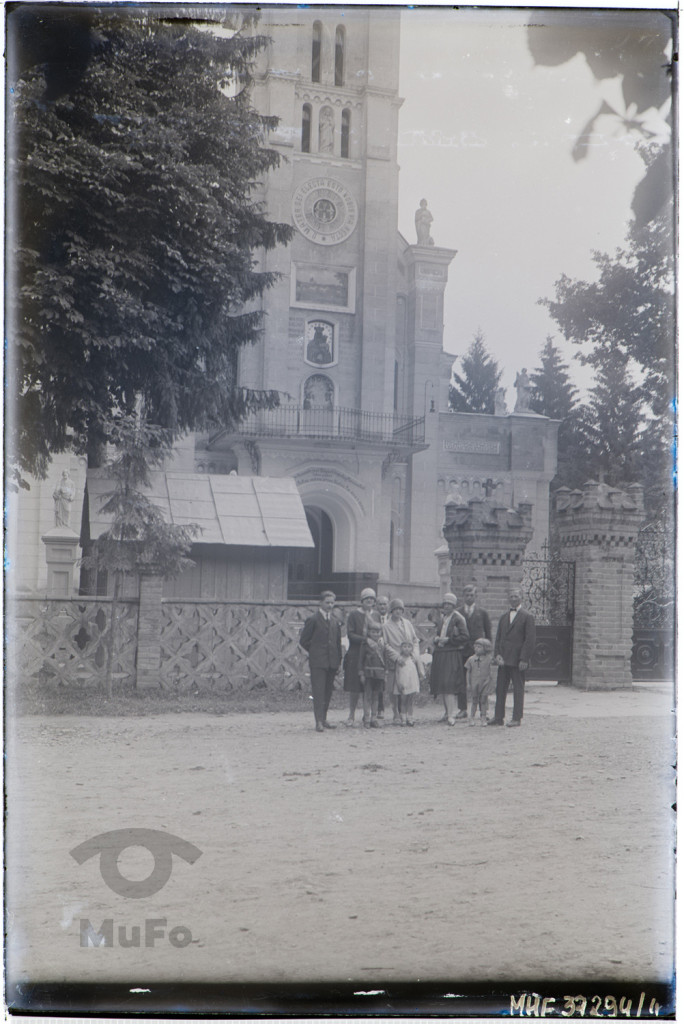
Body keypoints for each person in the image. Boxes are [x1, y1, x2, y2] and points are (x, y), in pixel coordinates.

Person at [489, 589, 536, 727]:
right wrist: (497, 654)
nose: (514, 598)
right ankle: (498, 717)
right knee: (500, 688)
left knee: (518, 689)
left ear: (521, 597)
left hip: (517, 660)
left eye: (516, 596)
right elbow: (498, 638)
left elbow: (530, 640)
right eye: (511, 596)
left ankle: (517, 718)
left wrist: (524, 659)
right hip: (503, 660)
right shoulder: (504, 617)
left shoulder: (527, 617)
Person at [299, 591, 342, 732]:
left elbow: (337, 643)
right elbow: (304, 641)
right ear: (321, 603)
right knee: (318, 692)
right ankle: (318, 721)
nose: (330, 605)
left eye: (332, 602)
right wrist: (315, 651)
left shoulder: (335, 621)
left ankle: (324, 718)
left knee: (328, 691)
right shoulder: (313, 619)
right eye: (327, 602)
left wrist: (338, 661)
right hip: (318, 662)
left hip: (332, 662)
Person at [429, 593, 470, 725]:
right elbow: (438, 633)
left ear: (454, 606)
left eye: (449, 604)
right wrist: (436, 639)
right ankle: (446, 712)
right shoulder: (443, 618)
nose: (446, 606)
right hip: (441, 653)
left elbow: (465, 636)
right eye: (445, 604)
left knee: (449, 684)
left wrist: (450, 640)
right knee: (442, 683)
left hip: (451, 653)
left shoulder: (458, 618)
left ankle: (452, 714)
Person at [382, 598, 421, 725]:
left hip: (408, 660)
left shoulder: (407, 623)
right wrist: (397, 657)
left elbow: (415, 640)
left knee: (409, 687)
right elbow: (386, 644)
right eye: (395, 609)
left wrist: (414, 654)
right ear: (391, 611)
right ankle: (396, 713)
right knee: (394, 687)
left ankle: (408, 714)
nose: (398, 612)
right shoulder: (386, 626)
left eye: (400, 609)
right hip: (396, 660)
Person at [343, 588, 377, 727]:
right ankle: (351, 714)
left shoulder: (375, 615)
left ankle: (367, 715)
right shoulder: (354, 615)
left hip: (370, 655)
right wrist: (365, 639)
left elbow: (379, 631)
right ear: (362, 601)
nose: (369, 601)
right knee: (355, 686)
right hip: (356, 653)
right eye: (367, 599)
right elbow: (350, 634)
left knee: (369, 686)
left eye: (372, 599)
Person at [358, 622, 386, 729]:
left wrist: (386, 672)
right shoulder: (365, 644)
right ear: (369, 632)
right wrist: (361, 673)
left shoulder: (382, 644)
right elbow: (361, 659)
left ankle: (374, 718)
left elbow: (385, 659)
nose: (375, 634)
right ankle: (366, 718)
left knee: (376, 696)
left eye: (377, 632)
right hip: (368, 673)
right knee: (367, 696)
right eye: (373, 632)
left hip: (379, 673)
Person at [465, 637, 497, 726]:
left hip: (485, 683)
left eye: (479, 647)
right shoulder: (471, 659)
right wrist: (468, 683)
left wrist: (491, 682)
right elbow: (468, 672)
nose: (476, 649)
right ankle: (471, 717)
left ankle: (483, 717)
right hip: (474, 682)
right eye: (475, 647)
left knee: (483, 700)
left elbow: (492, 670)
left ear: (485, 648)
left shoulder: (489, 659)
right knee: (474, 700)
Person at [458, 584, 492, 662]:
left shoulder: (483, 613)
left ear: (476, 596)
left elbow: (488, 633)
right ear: (463, 596)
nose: (469, 598)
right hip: (461, 650)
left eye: (471, 595)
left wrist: (487, 650)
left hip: (478, 650)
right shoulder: (458, 613)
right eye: (467, 595)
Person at [394, 639, 423, 726]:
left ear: (412, 648)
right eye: (405, 647)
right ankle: (403, 718)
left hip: (412, 682)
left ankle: (410, 718)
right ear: (401, 648)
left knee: (410, 701)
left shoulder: (413, 659)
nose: (407, 649)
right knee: (403, 701)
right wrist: (398, 683)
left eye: (409, 647)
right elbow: (397, 672)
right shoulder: (400, 660)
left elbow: (417, 671)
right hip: (403, 682)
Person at [369, 595, 390, 718]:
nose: (382, 606)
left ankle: (398, 711)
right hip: (378, 652)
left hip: (391, 652)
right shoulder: (372, 618)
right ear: (376, 606)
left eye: (385, 604)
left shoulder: (392, 618)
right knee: (379, 680)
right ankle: (379, 708)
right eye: (380, 604)